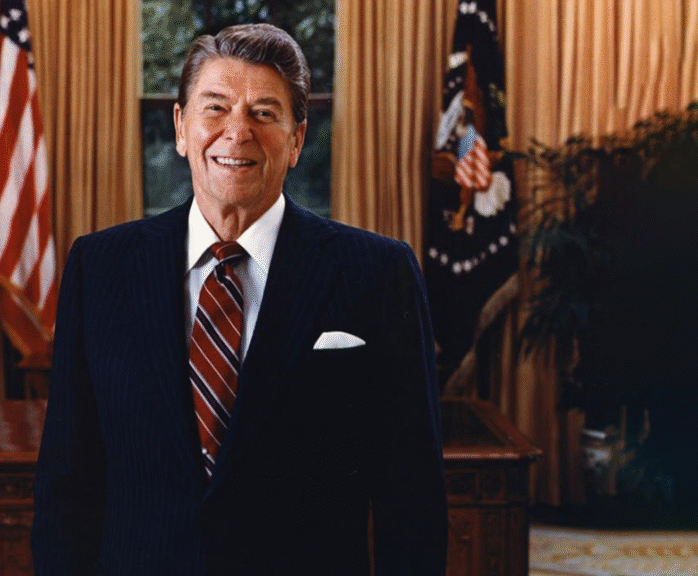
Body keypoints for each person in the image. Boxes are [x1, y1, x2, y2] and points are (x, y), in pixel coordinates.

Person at [33, 23, 447, 576]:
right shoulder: (101, 267)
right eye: (215, 108)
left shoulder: (377, 273)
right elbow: (67, 485)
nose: (237, 133)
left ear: (297, 139)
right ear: (181, 128)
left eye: (263, 113)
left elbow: (412, 497)